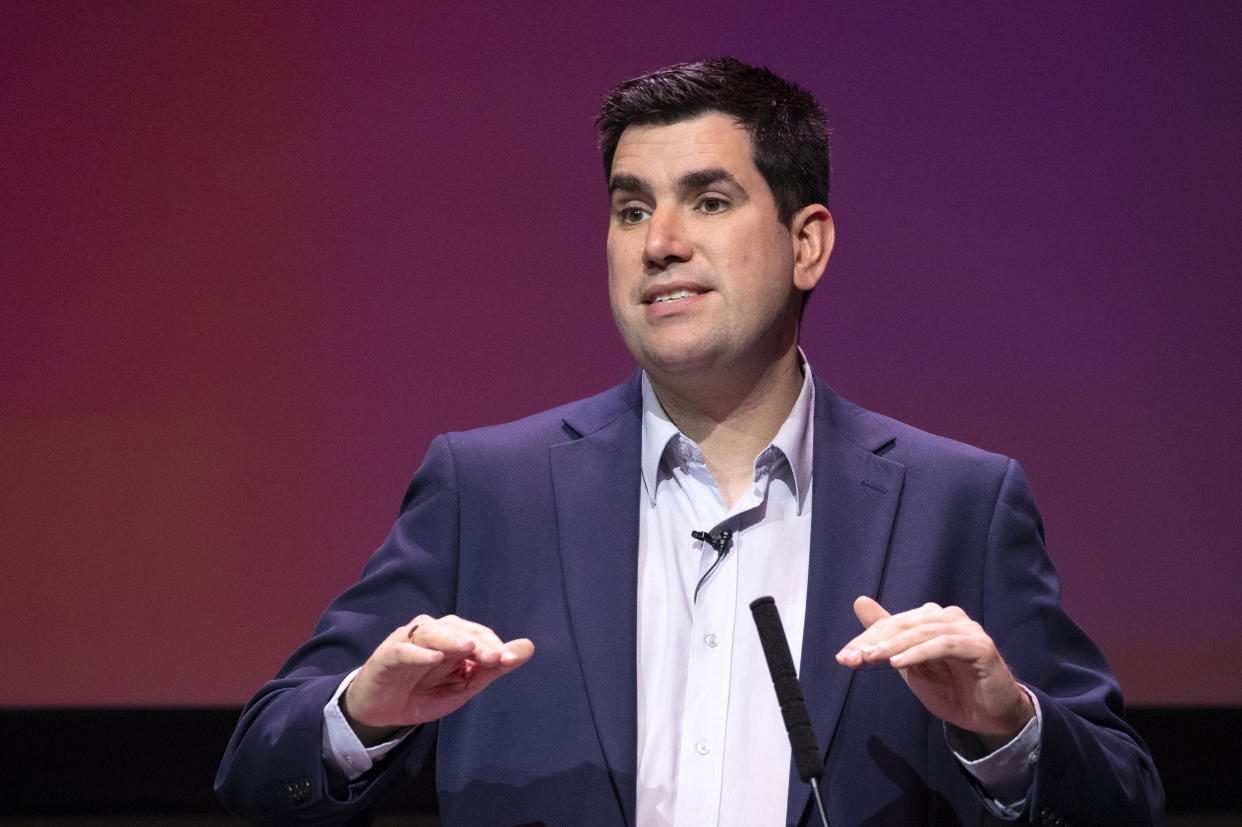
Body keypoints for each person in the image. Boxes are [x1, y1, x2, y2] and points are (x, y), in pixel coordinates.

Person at [215, 57, 1164, 826]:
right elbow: (261, 764)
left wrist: (1008, 730)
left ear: (808, 245)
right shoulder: (487, 489)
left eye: (708, 201)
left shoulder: (958, 500)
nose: (658, 241)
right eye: (632, 209)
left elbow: (1123, 793)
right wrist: (363, 716)